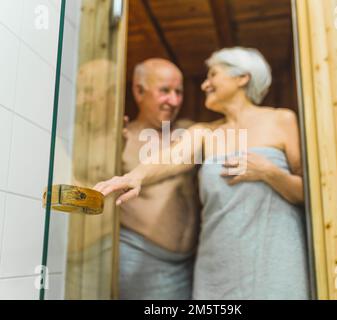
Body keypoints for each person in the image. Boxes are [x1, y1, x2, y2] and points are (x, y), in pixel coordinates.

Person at [95, 48, 310, 299]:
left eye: (213, 75)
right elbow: (172, 158)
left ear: (242, 78)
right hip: (217, 268)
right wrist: (135, 177)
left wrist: (269, 172)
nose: (205, 84)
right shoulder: (205, 132)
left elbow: (308, 192)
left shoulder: (281, 120)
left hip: (274, 263)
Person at [117, 58, 199, 299]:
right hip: (141, 260)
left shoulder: (187, 133)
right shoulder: (122, 139)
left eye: (179, 92)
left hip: (190, 263)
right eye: (165, 91)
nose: (173, 101)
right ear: (139, 91)